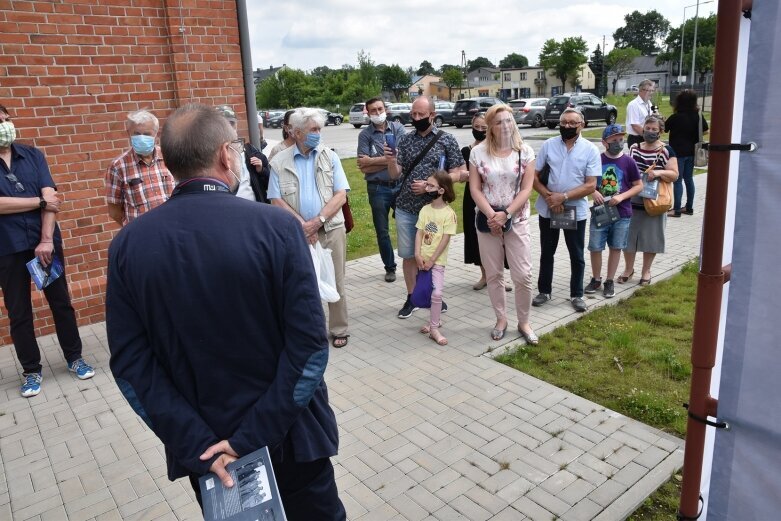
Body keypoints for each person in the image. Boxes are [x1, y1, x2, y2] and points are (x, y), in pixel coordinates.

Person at [106, 103, 344, 520]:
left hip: (210, 452)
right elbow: (309, 347)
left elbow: (131, 366)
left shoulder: (128, 244)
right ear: (224, 154)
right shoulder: (276, 228)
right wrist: (253, 436)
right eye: (234, 147)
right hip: (288, 437)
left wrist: (195, 441)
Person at [0, 103, 95, 398]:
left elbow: (51, 196)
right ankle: (31, 371)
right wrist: (38, 203)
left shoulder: (32, 155)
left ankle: (74, 357)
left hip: (44, 244)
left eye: (7, 118)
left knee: (61, 302)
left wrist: (45, 239)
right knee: (19, 312)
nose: (5, 125)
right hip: (8, 248)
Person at [268, 108, 351, 348]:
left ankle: (339, 329)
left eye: (318, 129)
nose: (318, 134)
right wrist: (304, 227)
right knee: (303, 285)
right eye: (313, 130)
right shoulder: (279, 161)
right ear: (296, 133)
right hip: (297, 234)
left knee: (337, 281)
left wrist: (317, 222)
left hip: (330, 228)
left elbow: (340, 195)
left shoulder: (329, 156)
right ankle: (310, 331)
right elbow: (276, 200)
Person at [385, 96, 466, 319]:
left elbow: (461, 172)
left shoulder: (446, 140)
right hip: (407, 208)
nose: (417, 118)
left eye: (421, 114)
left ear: (432, 115)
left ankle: (432, 294)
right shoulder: (405, 140)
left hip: (435, 211)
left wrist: (431, 185)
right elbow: (395, 175)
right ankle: (412, 297)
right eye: (414, 114)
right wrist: (390, 160)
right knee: (410, 255)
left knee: (432, 255)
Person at [469, 104, 538, 343]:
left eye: (508, 120)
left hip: (516, 219)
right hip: (488, 222)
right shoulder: (478, 153)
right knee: (494, 274)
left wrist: (506, 213)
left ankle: (524, 322)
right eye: (499, 122)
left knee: (523, 275)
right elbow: (474, 189)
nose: (505, 125)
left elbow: (527, 188)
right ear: (491, 128)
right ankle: (501, 319)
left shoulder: (525, 151)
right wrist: (492, 215)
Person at [532, 108, 600, 313]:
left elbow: (590, 185)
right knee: (547, 252)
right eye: (564, 122)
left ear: (582, 125)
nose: (567, 126)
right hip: (548, 208)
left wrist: (564, 197)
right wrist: (550, 197)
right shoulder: (549, 145)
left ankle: (577, 294)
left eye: (572, 123)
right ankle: (544, 290)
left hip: (575, 210)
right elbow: (533, 177)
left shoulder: (590, 150)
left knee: (576, 254)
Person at [584, 124, 643, 299]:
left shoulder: (628, 161)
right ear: (604, 142)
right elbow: (587, 182)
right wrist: (593, 191)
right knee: (595, 246)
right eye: (614, 140)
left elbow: (638, 185)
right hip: (601, 212)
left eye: (620, 140)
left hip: (622, 213)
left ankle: (609, 280)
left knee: (616, 247)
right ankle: (596, 278)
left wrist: (623, 196)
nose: (618, 143)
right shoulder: (597, 159)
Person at [619, 115, 679, 286]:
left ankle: (646, 270)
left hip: (655, 201)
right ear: (643, 129)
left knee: (651, 237)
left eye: (654, 129)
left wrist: (658, 173)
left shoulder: (667, 150)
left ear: (660, 131)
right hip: (633, 198)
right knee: (628, 237)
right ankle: (628, 269)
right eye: (648, 128)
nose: (650, 132)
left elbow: (674, 175)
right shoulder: (635, 148)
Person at [357, 97, 406, 282]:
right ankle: (390, 267)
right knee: (382, 231)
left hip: (400, 186)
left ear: (385, 108)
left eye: (380, 109)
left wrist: (372, 161)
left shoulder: (398, 128)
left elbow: (400, 158)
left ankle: (412, 260)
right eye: (373, 111)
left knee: (407, 224)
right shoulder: (365, 135)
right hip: (377, 188)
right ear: (368, 113)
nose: (378, 113)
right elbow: (363, 166)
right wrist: (388, 160)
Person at [105, 110, 174, 225]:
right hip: (142, 235)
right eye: (136, 134)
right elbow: (114, 212)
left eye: (147, 134)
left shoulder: (170, 156)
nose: (142, 138)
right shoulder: (118, 166)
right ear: (128, 133)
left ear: (156, 134)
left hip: (173, 229)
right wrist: (134, 230)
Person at [414, 170, 457, 346]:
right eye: (427, 184)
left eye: (430, 185)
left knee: (437, 293)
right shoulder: (425, 210)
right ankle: (434, 321)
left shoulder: (449, 214)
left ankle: (434, 329)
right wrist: (417, 254)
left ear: (441, 190)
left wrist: (432, 260)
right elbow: (419, 232)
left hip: (436, 262)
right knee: (426, 292)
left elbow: (445, 239)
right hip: (422, 261)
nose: (427, 187)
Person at [665, 89, 708, 217]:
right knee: (689, 179)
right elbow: (706, 131)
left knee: (677, 180)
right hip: (692, 152)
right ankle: (689, 207)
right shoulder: (698, 116)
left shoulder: (675, 117)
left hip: (677, 153)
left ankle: (676, 209)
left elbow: (664, 129)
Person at [215, 105, 257, 201]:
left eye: (232, 123)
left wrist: (261, 169)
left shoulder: (249, 151)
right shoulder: (209, 153)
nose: (229, 128)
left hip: (250, 207)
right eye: (223, 125)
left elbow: (263, 180)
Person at [626, 79, 656, 148]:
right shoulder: (633, 105)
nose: (651, 93)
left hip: (646, 137)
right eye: (649, 91)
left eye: (652, 91)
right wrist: (649, 138)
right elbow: (635, 125)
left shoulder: (648, 103)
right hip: (636, 139)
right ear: (641, 90)